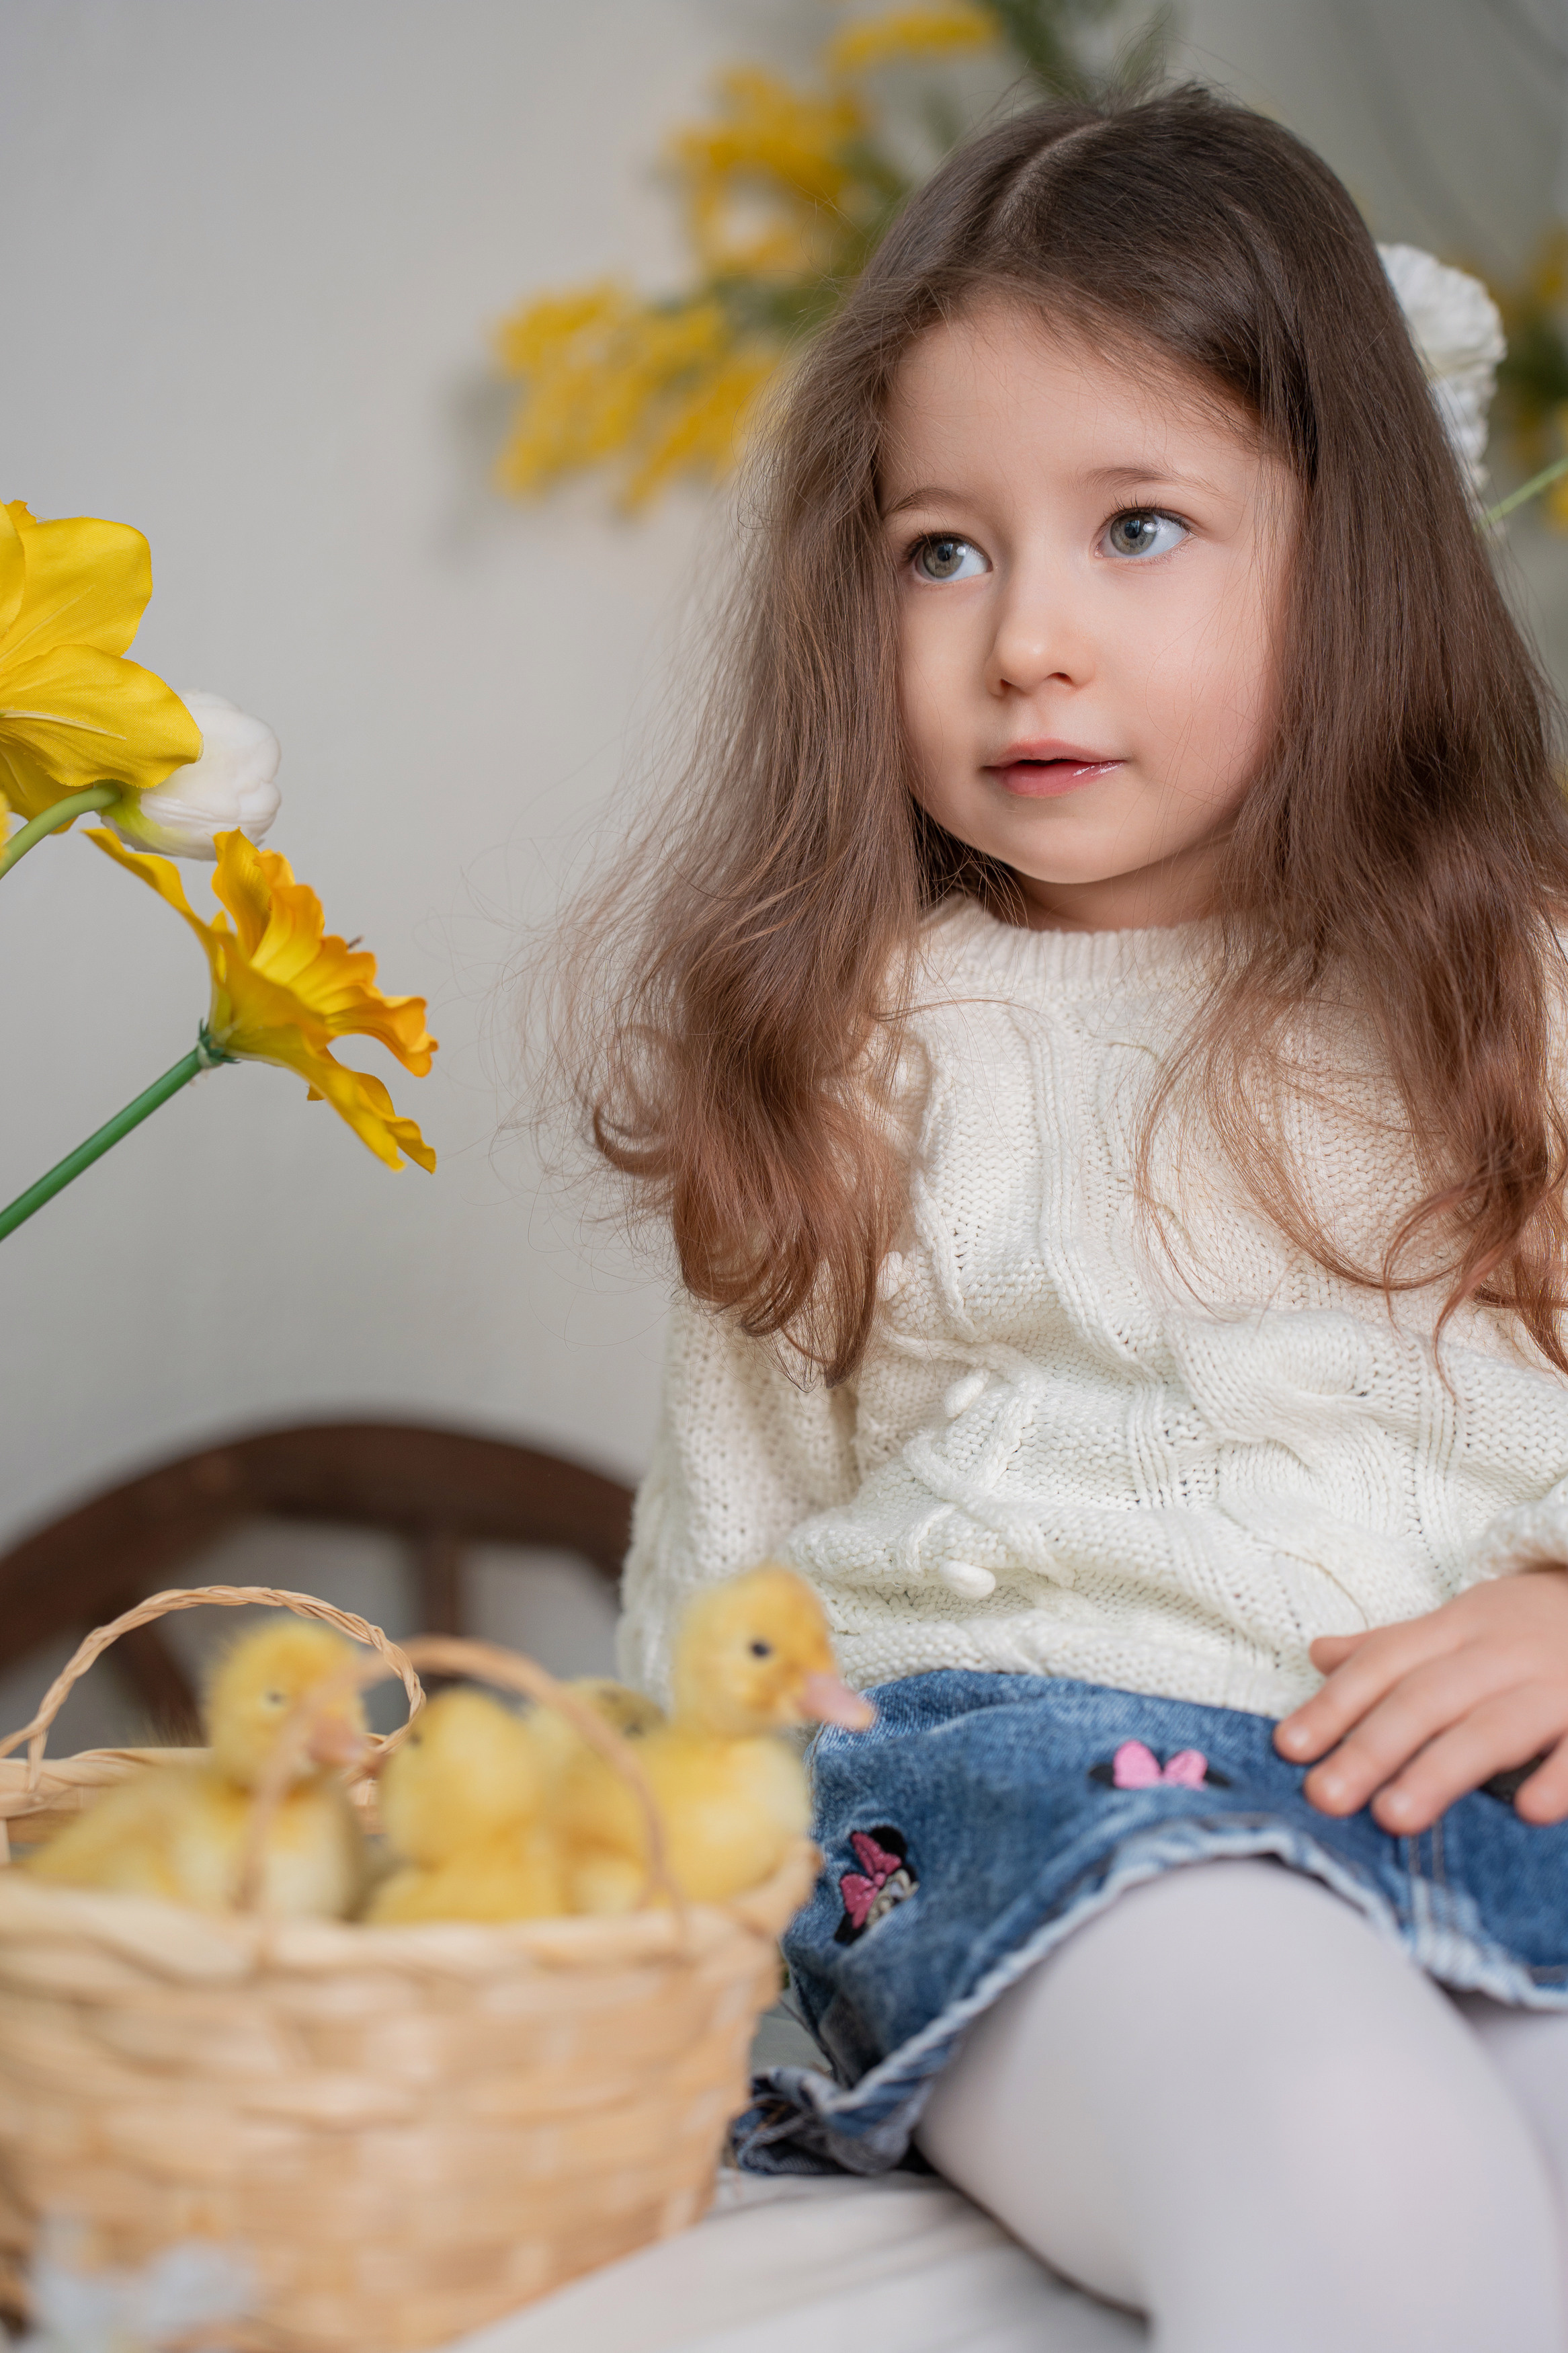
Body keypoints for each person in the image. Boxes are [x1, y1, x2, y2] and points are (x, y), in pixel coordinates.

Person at [553, 83, 1568, 2350]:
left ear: (1359, 553)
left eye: (1137, 526)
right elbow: (723, 1563)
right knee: (1352, 2159)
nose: (1024, 638)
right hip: (1009, 1814)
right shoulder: (859, 1026)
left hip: (1469, 1802)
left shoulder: (1530, 994)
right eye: (945, 549)